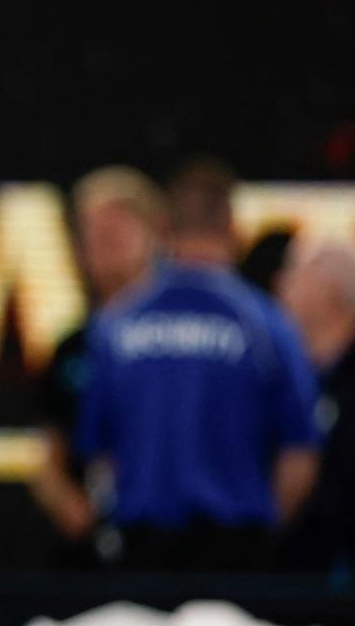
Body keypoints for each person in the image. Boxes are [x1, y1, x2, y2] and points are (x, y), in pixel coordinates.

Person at [76, 158, 319, 569]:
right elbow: (301, 452)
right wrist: (266, 531)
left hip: (141, 554)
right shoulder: (268, 325)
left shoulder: (116, 327)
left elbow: (99, 455)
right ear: (232, 228)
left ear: (164, 229)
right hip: (238, 553)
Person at [30, 165, 166, 564]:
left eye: (117, 232)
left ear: (153, 234)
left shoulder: (186, 344)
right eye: (93, 233)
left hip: (179, 550)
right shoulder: (71, 349)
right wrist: (74, 511)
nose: (104, 244)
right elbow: (48, 460)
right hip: (94, 560)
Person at [276, 237, 355, 571]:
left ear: (329, 290)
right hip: (291, 571)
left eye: (295, 272)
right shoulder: (285, 373)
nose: (279, 284)